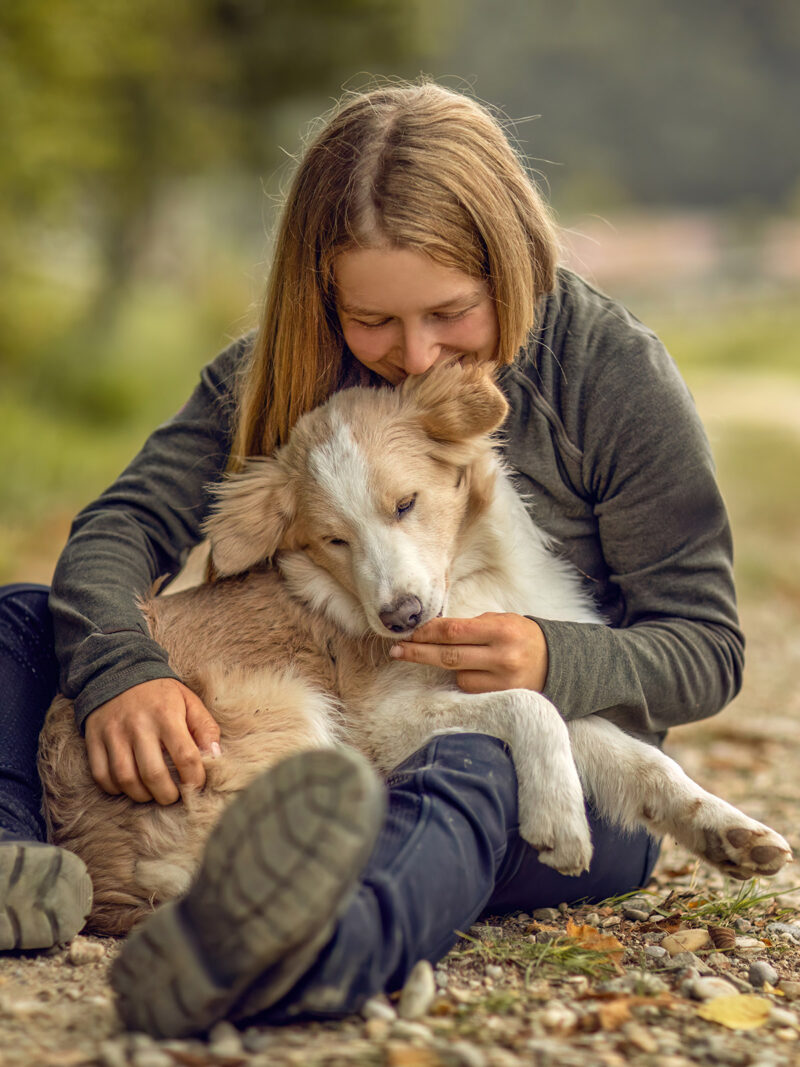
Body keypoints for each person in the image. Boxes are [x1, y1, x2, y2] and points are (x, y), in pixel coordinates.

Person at [0, 80, 743, 1035]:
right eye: (373, 321)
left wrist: (554, 659)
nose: (414, 353)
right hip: (364, 723)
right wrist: (121, 672)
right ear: (323, 291)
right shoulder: (275, 370)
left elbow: (708, 647)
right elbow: (120, 527)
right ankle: (19, 862)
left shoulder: (609, 371)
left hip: (568, 779)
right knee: (22, 616)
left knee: (471, 765)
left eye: (450, 312)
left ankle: (317, 950)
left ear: (511, 263)